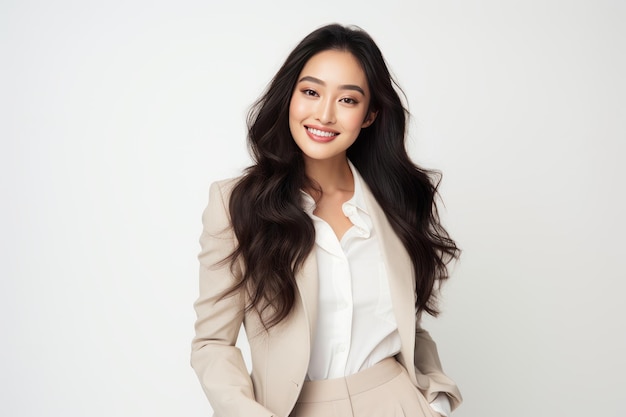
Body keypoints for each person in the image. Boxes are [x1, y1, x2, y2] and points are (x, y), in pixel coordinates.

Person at [191, 23, 462, 417]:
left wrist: (434, 400)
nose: (324, 114)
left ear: (370, 115)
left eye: (348, 100)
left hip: (398, 403)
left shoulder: (397, 201)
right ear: (290, 96)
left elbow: (408, 327)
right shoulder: (237, 205)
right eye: (311, 92)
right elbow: (212, 343)